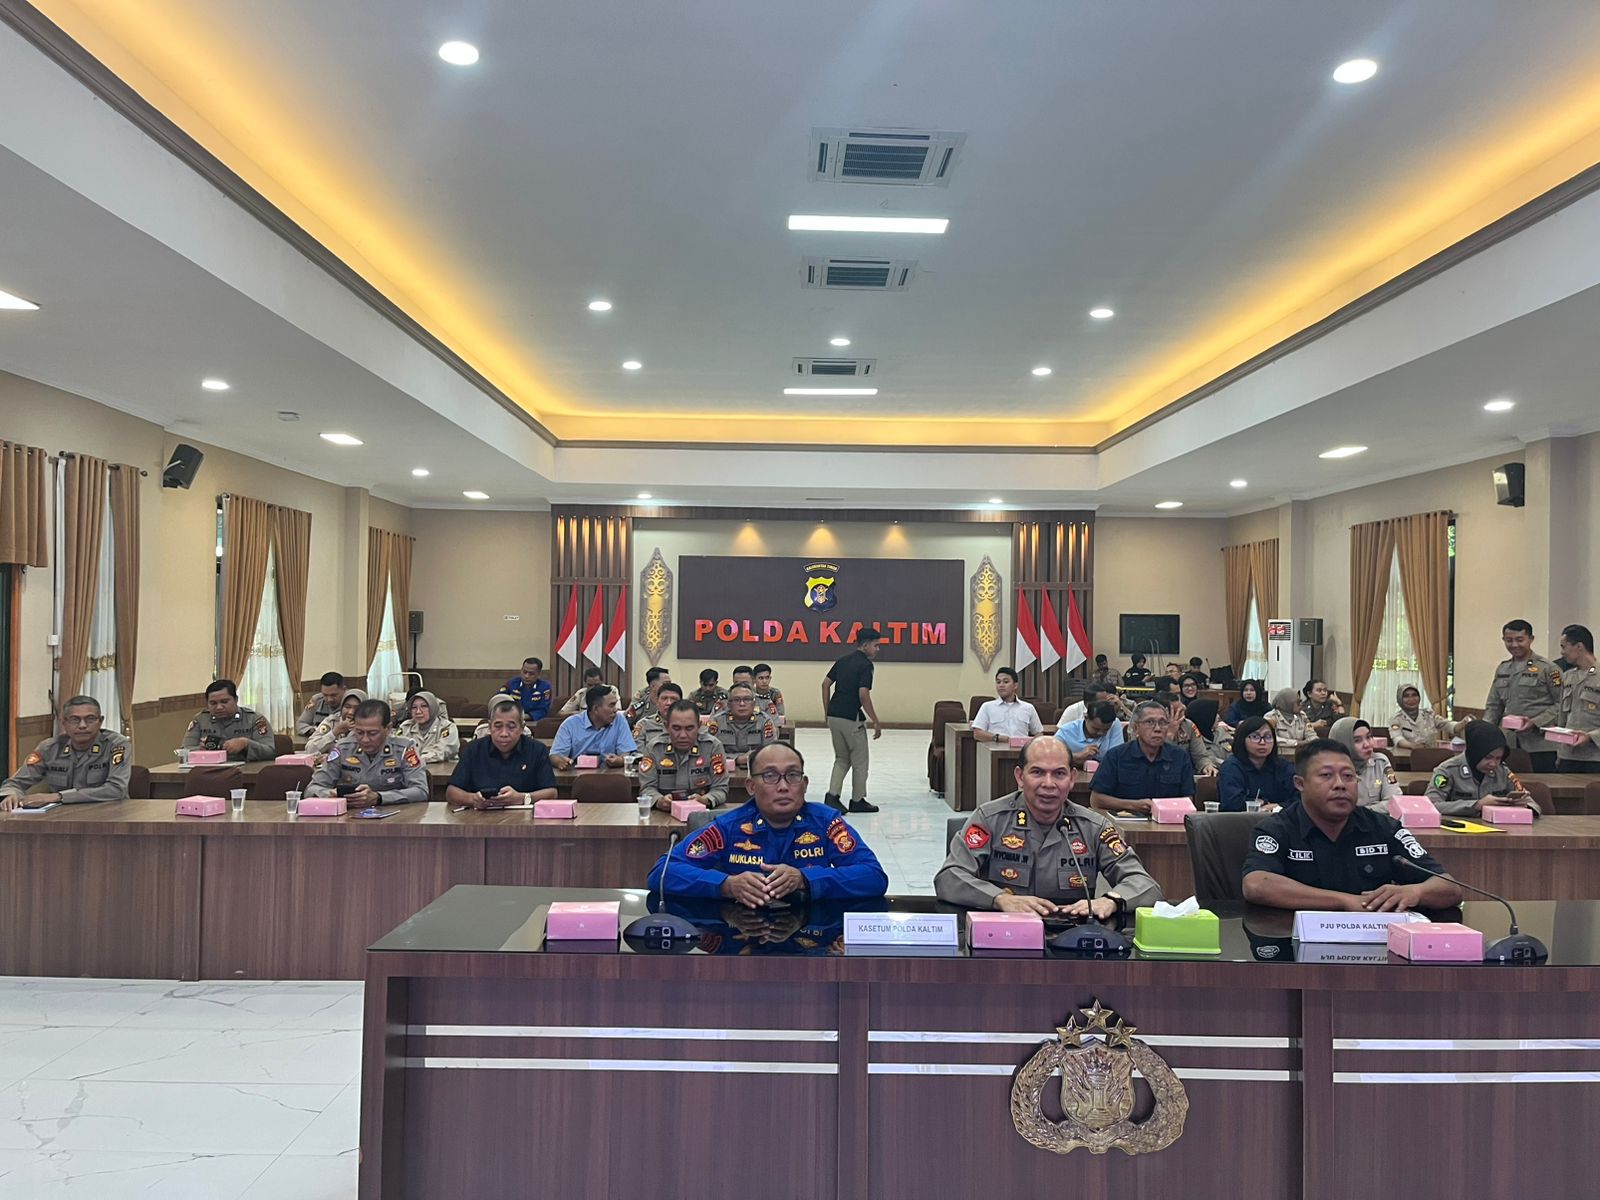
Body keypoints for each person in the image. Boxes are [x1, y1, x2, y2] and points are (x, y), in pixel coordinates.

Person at [935, 735, 1162, 915]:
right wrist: (999, 899)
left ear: (1072, 778)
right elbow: (949, 877)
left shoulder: (1094, 826)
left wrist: (1111, 901)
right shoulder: (990, 818)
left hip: (1070, 940)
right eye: (1037, 772)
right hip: (1003, 935)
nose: (1048, 784)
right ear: (1020, 777)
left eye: (1059, 774)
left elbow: (1146, 885)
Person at [646, 742, 887, 905]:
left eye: (792, 775)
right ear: (751, 787)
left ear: (804, 785)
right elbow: (662, 873)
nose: (783, 786)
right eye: (770, 776)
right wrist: (725, 885)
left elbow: (873, 876)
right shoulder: (729, 827)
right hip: (743, 939)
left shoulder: (826, 823)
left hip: (810, 942)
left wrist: (806, 879)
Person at [1242, 739, 1463, 912]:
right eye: (1326, 775)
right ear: (1300, 784)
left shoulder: (1384, 828)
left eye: (1348, 776)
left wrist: (1415, 892)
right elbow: (1256, 884)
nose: (1340, 784)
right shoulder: (1276, 828)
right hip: (1292, 943)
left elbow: (1450, 887)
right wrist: (1345, 901)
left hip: (1372, 946)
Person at [1, 695, 131, 810]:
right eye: (75, 719)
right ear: (63, 723)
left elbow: (116, 789)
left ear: (100, 721)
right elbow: (14, 783)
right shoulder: (49, 748)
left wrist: (58, 797)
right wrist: (12, 795)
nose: (82, 725)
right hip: (61, 815)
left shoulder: (116, 745)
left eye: (90, 719)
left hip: (108, 813)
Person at [305, 699, 429, 806]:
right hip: (349, 818)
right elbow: (311, 789)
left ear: (388, 728)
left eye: (372, 733)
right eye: (359, 732)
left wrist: (379, 798)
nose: (365, 739)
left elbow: (421, 791)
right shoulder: (343, 749)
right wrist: (331, 795)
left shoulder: (404, 749)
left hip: (394, 818)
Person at [1088, 700, 1196, 816]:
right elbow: (1096, 800)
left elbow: (1188, 801)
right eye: (1150, 722)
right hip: (1126, 821)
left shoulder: (1180, 756)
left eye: (1163, 723)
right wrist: (1132, 805)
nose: (1157, 728)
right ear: (1136, 728)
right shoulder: (1116, 756)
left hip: (1167, 822)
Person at [447, 698, 558, 809]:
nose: (504, 733)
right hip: (481, 815)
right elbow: (451, 792)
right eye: (498, 726)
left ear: (522, 728)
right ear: (490, 727)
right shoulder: (474, 749)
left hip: (524, 816)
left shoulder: (537, 750)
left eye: (511, 727)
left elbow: (552, 793)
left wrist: (523, 798)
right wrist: (472, 799)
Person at [1483, 619, 1564, 772]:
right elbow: (1494, 706)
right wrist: (1484, 732)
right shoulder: (1503, 669)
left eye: (1520, 640)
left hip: (1541, 745)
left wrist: (1535, 722)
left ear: (1531, 639)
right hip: (1510, 744)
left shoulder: (1548, 669)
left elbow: (1563, 704)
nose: (1514, 645)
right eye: (1509, 640)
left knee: (1542, 784)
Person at [822, 627, 883, 814]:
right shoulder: (865, 665)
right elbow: (863, 694)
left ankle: (832, 796)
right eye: (875, 645)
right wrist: (875, 720)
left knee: (841, 759)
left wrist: (827, 711)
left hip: (834, 715)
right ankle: (857, 800)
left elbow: (825, 684)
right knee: (860, 761)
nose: (878, 649)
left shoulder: (842, 661)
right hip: (851, 718)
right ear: (865, 645)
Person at [1424, 720, 1540, 816]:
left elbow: (1532, 803)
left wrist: (1523, 806)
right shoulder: (1448, 770)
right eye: (1488, 757)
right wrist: (1477, 805)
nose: (1493, 764)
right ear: (1475, 753)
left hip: (1497, 829)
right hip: (1459, 831)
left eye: (1498, 758)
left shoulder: (1503, 771)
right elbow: (1430, 805)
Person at [638, 700, 729, 811]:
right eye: (676, 728)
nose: (683, 735)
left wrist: (706, 799)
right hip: (663, 813)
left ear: (699, 726)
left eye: (689, 728)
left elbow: (720, 788)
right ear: (666, 726)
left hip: (702, 813)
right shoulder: (654, 748)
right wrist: (659, 801)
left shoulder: (712, 747)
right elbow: (647, 788)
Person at [181, 678, 277, 760]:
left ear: (236, 700)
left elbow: (270, 752)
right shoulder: (200, 720)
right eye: (213, 703)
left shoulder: (254, 719)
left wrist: (246, 744)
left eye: (224, 701)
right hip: (209, 770)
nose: (219, 707)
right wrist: (199, 750)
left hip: (244, 770)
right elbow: (184, 751)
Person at [1217, 716, 1296, 812]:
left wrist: (1277, 806)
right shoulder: (1231, 767)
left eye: (1268, 737)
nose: (1262, 742)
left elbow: (1300, 798)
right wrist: (1263, 803)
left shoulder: (1283, 766)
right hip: (1242, 820)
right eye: (1255, 737)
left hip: (1281, 818)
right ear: (1242, 739)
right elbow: (1232, 803)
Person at [549, 684, 636, 769]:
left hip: (610, 774)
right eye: (611, 705)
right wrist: (560, 761)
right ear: (595, 709)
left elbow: (626, 753)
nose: (615, 709)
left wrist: (620, 760)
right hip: (577, 774)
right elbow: (555, 755)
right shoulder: (570, 724)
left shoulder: (619, 720)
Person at [1556, 624, 1600, 772]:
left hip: (1594, 758)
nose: (1562, 652)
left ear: (1579, 646)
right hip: (1568, 756)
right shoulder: (1568, 676)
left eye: (1564, 647)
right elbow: (1562, 717)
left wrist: (1590, 737)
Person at [1329, 717, 1401, 808]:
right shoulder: (1329, 771)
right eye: (1357, 740)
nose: (1367, 744)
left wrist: (1363, 812)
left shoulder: (1380, 762)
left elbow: (1395, 801)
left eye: (1368, 737)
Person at [711, 683, 778, 768]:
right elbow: (709, 752)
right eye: (736, 700)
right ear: (729, 704)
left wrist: (752, 758)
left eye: (747, 699)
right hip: (723, 768)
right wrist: (737, 759)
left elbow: (771, 751)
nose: (742, 704)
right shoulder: (717, 721)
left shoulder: (764, 721)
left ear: (754, 703)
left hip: (757, 767)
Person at [972, 667, 1043, 743]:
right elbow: (977, 734)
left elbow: (1039, 733)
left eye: (1006, 682)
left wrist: (1031, 745)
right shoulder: (987, 707)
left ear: (1015, 685)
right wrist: (998, 738)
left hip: (1021, 748)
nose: (1001, 685)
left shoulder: (1028, 708)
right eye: (998, 682)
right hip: (996, 748)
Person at [1161, 693, 1218, 776]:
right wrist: (1169, 735)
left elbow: (1200, 756)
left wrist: (1206, 765)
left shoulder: (1188, 725)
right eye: (1178, 712)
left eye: (1183, 710)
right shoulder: (1154, 728)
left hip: (1186, 773)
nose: (1183, 715)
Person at [396, 689, 460, 763]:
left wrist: (415, 760)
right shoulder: (405, 727)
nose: (418, 712)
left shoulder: (447, 727)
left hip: (443, 769)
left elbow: (441, 753)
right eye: (414, 707)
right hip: (410, 768)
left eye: (424, 706)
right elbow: (396, 750)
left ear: (433, 708)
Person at [1388, 684, 1457, 750]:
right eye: (1406, 696)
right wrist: (1411, 745)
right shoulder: (1396, 719)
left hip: (1430, 753)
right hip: (1407, 754)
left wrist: (1461, 723)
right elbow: (1397, 738)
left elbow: (1448, 725)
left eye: (1414, 695)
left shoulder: (1429, 714)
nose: (1411, 699)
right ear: (1400, 700)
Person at [1055, 700, 1124, 766]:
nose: (1100, 733)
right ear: (1086, 718)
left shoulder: (1114, 724)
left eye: (1106, 730)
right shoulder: (1066, 732)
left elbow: (1118, 756)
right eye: (1096, 729)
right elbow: (1051, 756)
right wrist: (1078, 756)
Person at [306, 688, 367, 755]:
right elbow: (310, 749)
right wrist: (334, 732)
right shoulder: (332, 721)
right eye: (347, 707)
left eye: (357, 708)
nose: (350, 712)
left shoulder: (369, 726)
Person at [632, 681, 684, 745]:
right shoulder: (643, 724)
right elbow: (638, 750)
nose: (669, 703)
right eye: (664, 698)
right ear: (657, 701)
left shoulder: (690, 724)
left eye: (673, 699)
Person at [295, 672, 345, 737]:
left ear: (344, 690)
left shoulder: (352, 702)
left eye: (333, 695)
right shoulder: (316, 700)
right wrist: (314, 731)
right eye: (325, 695)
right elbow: (300, 723)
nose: (329, 699)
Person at [504, 657, 553, 723]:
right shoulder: (511, 683)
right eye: (524, 672)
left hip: (533, 722)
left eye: (531, 674)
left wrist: (523, 716)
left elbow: (543, 710)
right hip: (511, 720)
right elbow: (499, 700)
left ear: (538, 674)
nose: (526, 676)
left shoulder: (545, 687)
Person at [1186, 697, 1230, 766]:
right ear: (1206, 718)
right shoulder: (1195, 741)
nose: (1218, 716)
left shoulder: (1221, 731)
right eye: (1214, 714)